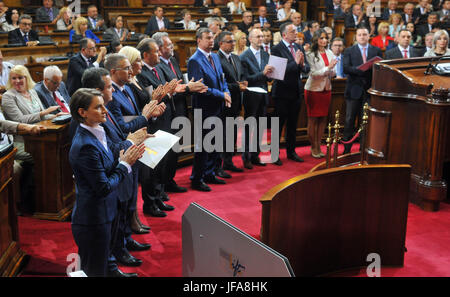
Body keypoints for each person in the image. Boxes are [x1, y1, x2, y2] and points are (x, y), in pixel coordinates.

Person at [69, 88, 145, 277]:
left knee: (103, 261)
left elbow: (110, 156)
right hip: (93, 218)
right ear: (82, 112)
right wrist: (125, 164)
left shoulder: (97, 131)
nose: (105, 110)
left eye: (104, 105)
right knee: (94, 270)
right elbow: (103, 187)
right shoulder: (85, 145)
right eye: (99, 107)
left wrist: (124, 153)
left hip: (107, 211)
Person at [106, 50, 172, 218]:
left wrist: (150, 114)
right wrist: (145, 116)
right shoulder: (112, 94)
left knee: (137, 183)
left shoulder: (126, 88)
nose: (130, 71)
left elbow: (137, 115)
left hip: (139, 141)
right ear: (113, 71)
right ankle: (130, 225)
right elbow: (122, 127)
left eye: (130, 67)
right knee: (129, 188)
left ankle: (135, 219)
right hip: (126, 146)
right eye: (126, 68)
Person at [152, 32, 208, 191]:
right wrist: (186, 87)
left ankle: (169, 180)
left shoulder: (173, 60)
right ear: (159, 48)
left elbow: (180, 84)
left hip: (180, 109)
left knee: (176, 149)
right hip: (167, 113)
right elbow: (167, 89)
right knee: (166, 152)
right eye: (169, 45)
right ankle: (163, 184)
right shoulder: (157, 65)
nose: (172, 47)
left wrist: (189, 86)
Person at [188, 28, 231, 192]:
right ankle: (197, 178)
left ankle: (210, 173)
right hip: (204, 108)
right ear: (199, 40)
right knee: (204, 146)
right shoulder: (195, 60)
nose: (211, 41)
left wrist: (226, 92)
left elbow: (222, 78)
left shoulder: (214, 57)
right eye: (207, 38)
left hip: (217, 106)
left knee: (215, 143)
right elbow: (201, 88)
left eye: (212, 38)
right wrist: (222, 94)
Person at [271, 22, 310, 165]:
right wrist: (295, 62)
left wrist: (301, 65)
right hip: (282, 92)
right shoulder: (276, 49)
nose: (296, 33)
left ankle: (291, 152)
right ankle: (274, 154)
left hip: (296, 91)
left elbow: (306, 69)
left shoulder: (298, 47)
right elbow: (278, 72)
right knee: (279, 124)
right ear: (284, 35)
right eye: (293, 31)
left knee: (293, 125)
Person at [342, 27, 382, 154]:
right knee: (349, 119)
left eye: (364, 34)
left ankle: (363, 148)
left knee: (366, 120)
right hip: (353, 90)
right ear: (356, 37)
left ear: (368, 36)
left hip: (369, 90)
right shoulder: (349, 50)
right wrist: (361, 69)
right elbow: (346, 68)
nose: (362, 37)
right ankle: (346, 149)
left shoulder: (376, 50)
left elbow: (381, 67)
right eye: (359, 35)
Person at [239, 28, 273, 169]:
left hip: (263, 95)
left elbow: (268, 77)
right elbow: (246, 79)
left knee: (260, 128)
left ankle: (255, 155)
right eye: (258, 36)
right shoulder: (244, 56)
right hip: (251, 96)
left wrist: (270, 75)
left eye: (262, 36)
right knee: (249, 127)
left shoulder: (266, 54)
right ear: (250, 39)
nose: (261, 38)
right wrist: (263, 73)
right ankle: (246, 157)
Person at [304, 29, 337, 158]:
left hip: (326, 89)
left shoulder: (329, 52)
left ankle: (319, 144)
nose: (324, 40)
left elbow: (332, 72)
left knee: (323, 119)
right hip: (313, 90)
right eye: (321, 38)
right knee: (313, 119)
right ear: (316, 39)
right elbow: (313, 74)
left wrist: (332, 71)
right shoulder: (310, 54)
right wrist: (328, 68)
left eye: (326, 38)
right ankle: (314, 147)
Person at [217, 31, 247, 173]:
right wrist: (237, 86)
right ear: (221, 43)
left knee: (232, 133)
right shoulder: (217, 59)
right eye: (229, 41)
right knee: (223, 134)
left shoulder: (235, 57)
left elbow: (240, 75)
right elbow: (219, 83)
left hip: (236, 101)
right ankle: (220, 164)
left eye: (233, 41)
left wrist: (244, 82)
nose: (233, 44)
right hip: (224, 102)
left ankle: (228, 162)